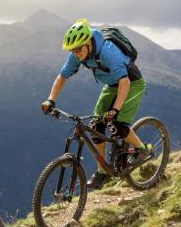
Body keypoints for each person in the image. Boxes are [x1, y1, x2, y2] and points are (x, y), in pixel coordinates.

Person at [42, 19, 149, 190]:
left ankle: (142, 149)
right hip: (111, 86)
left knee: (116, 125)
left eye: (78, 49)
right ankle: (103, 172)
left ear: (88, 43)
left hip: (131, 83)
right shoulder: (78, 55)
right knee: (96, 127)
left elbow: (125, 82)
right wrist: (50, 99)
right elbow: (62, 76)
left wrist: (115, 110)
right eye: (72, 50)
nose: (76, 53)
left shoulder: (108, 51)